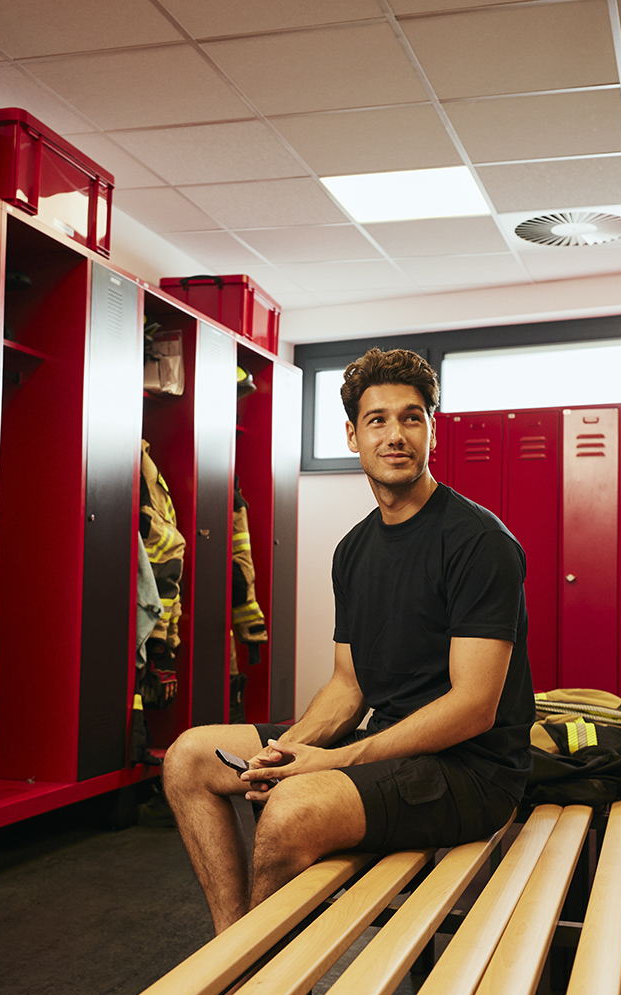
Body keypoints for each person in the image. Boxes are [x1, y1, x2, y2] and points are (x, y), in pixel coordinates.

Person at [163, 348, 535, 933]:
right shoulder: (355, 550)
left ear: (432, 432)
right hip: (394, 747)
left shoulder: (477, 541)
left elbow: (474, 706)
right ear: (352, 435)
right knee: (188, 757)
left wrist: (332, 760)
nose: (396, 434)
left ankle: (257, 976)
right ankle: (234, 953)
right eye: (378, 420)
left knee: (288, 813)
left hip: (470, 772)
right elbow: (348, 684)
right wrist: (289, 750)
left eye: (412, 418)